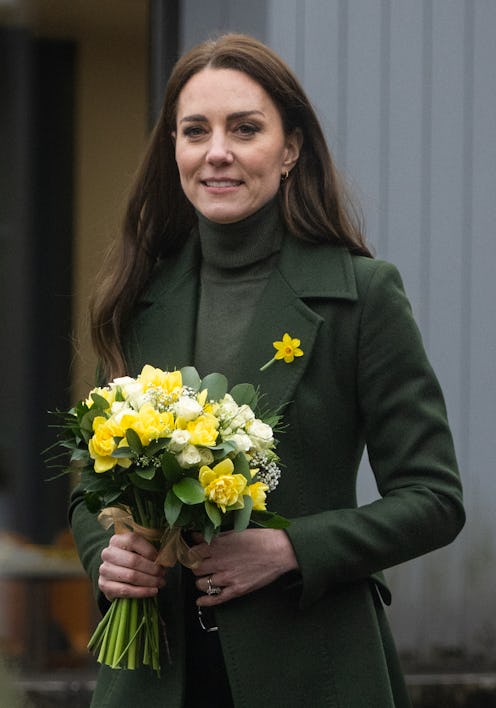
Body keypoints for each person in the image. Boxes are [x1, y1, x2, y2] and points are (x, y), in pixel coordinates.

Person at [69, 33, 465, 708]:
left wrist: (292, 548)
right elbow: (92, 492)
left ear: (289, 150)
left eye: (245, 129)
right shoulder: (137, 298)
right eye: (195, 131)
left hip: (314, 670)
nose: (217, 150)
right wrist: (105, 555)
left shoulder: (363, 296)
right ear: (174, 151)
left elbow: (434, 500)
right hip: (153, 678)